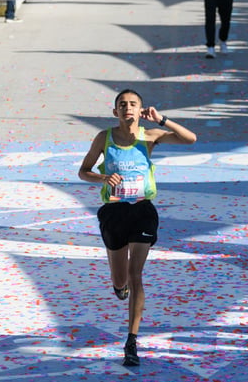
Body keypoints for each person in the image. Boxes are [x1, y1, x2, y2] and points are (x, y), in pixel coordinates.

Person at [78, 89, 197, 367]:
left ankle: (131, 341)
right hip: (114, 212)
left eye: (133, 104)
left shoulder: (149, 136)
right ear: (115, 112)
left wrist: (162, 120)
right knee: (120, 280)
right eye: (122, 104)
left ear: (140, 110)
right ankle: (119, 288)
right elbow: (83, 171)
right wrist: (103, 177)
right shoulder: (104, 138)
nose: (127, 108)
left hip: (143, 210)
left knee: (135, 274)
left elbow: (191, 139)